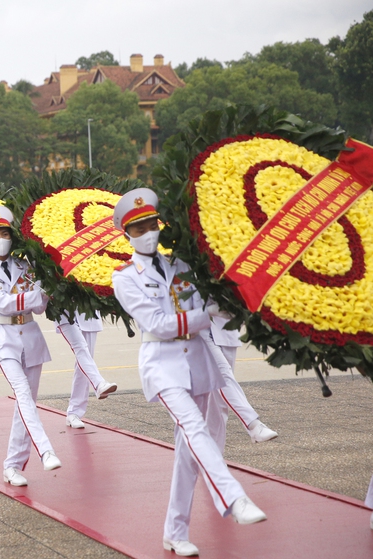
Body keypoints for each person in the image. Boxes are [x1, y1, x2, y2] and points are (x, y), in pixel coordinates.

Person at [111, 188, 266, 556]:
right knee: (195, 429)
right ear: (127, 234)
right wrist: (206, 315)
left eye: (152, 224)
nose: (148, 231)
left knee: (187, 452)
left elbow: (209, 303)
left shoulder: (183, 266)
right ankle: (233, 497)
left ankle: (175, 532)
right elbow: (160, 323)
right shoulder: (125, 277)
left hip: (197, 362)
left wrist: (226, 304)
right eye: (138, 228)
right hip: (161, 365)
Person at [0, 205, 61, 487]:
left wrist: (39, 295)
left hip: (30, 336)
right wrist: (35, 296)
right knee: (21, 393)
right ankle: (46, 449)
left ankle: (11, 466)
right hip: (3, 338)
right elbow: (1, 304)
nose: (1, 238)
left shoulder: (27, 265)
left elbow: (44, 303)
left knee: (26, 403)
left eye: (4, 233)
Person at [205, 316, 278, 449]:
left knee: (219, 402)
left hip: (225, 326)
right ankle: (253, 425)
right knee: (223, 376)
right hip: (197, 330)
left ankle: (212, 456)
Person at [55, 311, 118, 429]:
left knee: (85, 360)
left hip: (87, 312)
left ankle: (74, 412)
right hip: (64, 311)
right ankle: (99, 384)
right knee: (81, 349)